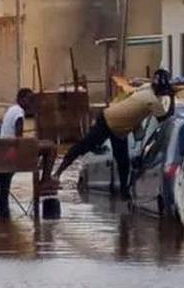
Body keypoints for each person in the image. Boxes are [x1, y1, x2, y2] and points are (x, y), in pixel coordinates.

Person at [54, 69, 176, 197]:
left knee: (123, 163)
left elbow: (139, 85)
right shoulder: (152, 101)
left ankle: (125, 193)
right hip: (107, 122)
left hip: (119, 130)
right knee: (83, 147)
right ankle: (57, 174)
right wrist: (171, 97)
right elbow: (166, 117)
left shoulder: (147, 88)